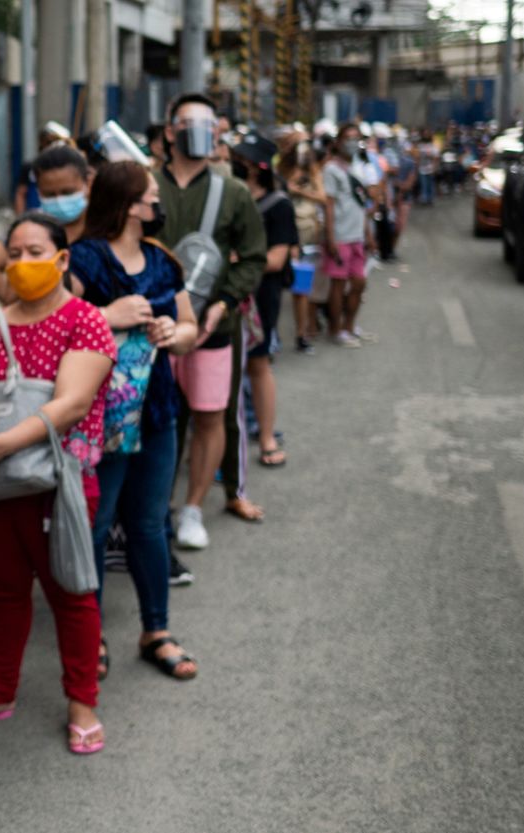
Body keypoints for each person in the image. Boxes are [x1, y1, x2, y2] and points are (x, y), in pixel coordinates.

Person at [0, 212, 115, 754]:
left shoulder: (86, 320)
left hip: (58, 484)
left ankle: (82, 702)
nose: (21, 263)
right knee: (6, 590)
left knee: (73, 592)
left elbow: (74, 402)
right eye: (14, 253)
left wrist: (1, 445)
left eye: (35, 251)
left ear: (62, 259)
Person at [68, 160, 200, 681]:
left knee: (150, 524)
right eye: (149, 198)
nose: (157, 206)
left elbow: (190, 327)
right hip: (99, 417)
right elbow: (54, 324)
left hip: (158, 412)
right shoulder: (84, 259)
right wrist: (107, 316)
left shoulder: (163, 261)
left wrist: (176, 332)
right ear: (126, 205)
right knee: (96, 528)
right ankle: (90, 634)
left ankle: (156, 631)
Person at [155, 92, 266, 551]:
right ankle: (152, 511)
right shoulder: (143, 185)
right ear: (169, 132)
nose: (200, 132)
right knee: (152, 422)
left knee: (208, 415)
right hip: (150, 329)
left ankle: (193, 508)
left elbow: (253, 258)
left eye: (208, 125)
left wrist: (224, 302)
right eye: (189, 123)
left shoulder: (233, 191)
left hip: (210, 330)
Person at [231, 134, 295, 469]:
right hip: (228, 293)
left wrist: (236, 257)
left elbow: (277, 259)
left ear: (255, 168)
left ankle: (266, 437)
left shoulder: (278, 205)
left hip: (260, 298)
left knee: (258, 365)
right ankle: (224, 448)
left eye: (239, 160)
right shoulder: (230, 197)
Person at [0, 146, 94, 303]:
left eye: (67, 192)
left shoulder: (103, 224)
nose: (59, 200)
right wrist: (15, 306)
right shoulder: (33, 227)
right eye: (50, 194)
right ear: (38, 190)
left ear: (87, 183)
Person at [322, 123, 376, 348]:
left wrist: (368, 233)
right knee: (338, 284)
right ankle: (336, 331)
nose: (352, 142)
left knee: (359, 282)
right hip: (340, 236)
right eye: (348, 138)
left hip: (358, 236)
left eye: (356, 138)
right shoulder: (331, 169)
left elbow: (361, 204)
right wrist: (331, 237)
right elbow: (329, 206)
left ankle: (349, 326)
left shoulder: (358, 167)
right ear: (338, 142)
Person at [277, 133, 329, 354]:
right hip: (281, 232)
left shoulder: (312, 170)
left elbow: (323, 198)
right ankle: (271, 336)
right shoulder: (280, 169)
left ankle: (302, 334)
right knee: (276, 287)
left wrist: (300, 190)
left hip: (306, 233)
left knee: (301, 286)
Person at [14, 120, 73, 213]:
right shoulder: (30, 168)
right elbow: (21, 193)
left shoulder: (69, 168)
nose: (53, 145)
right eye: (49, 142)